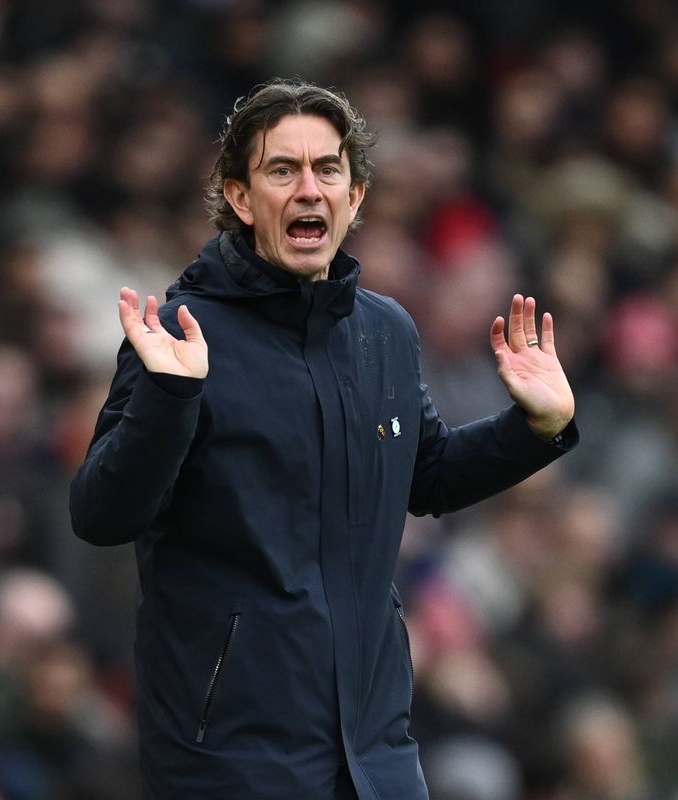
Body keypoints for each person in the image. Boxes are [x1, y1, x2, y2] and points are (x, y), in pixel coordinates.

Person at [69, 79, 578, 799]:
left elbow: (426, 474)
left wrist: (535, 429)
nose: (309, 189)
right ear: (241, 199)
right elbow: (100, 514)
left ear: (355, 196)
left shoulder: (385, 332)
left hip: (375, 749)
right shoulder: (182, 336)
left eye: (327, 169)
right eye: (283, 170)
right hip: (231, 757)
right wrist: (169, 398)